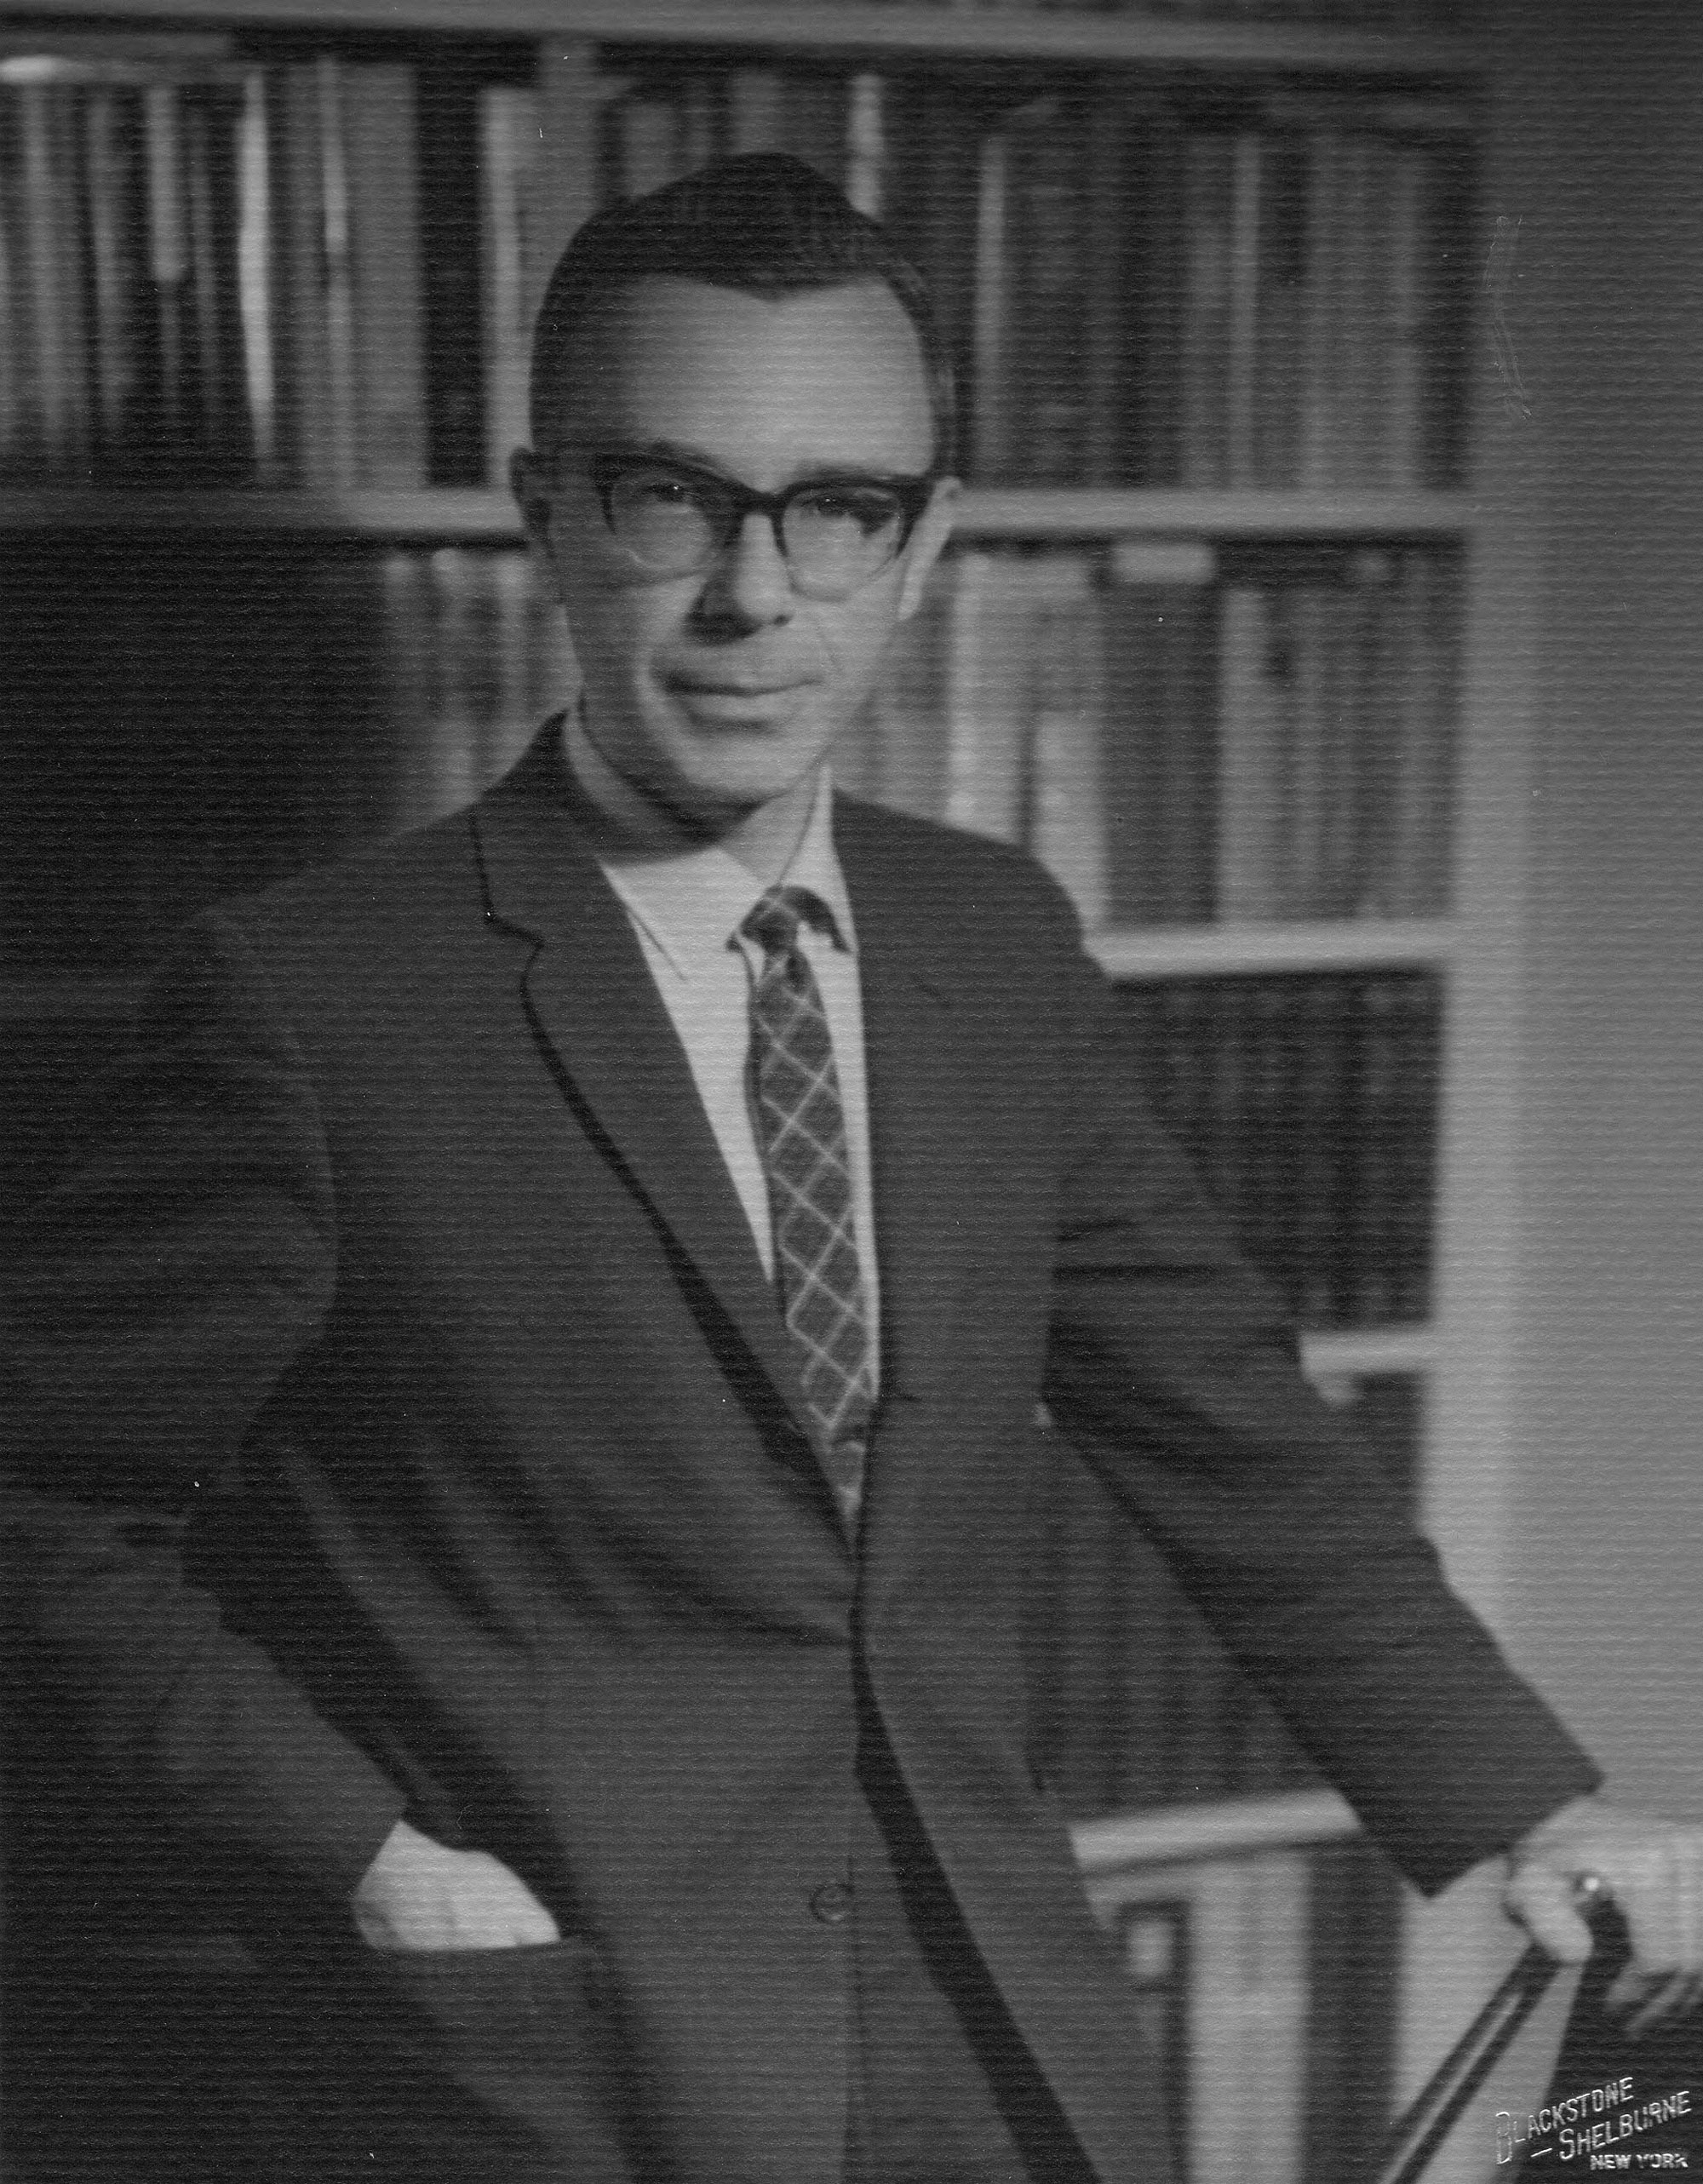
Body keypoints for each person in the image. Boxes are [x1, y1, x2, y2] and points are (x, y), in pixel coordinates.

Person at [3, 154, 1698, 2184]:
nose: (754, 594)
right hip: (551, 2061)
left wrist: (1527, 1803)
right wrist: (372, 1857)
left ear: (926, 543)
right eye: (669, 497)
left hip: (996, 2024)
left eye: (838, 508)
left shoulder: (994, 944)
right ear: (545, 511)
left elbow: (1239, 1440)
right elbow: (40, 1515)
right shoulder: (306, 1001)